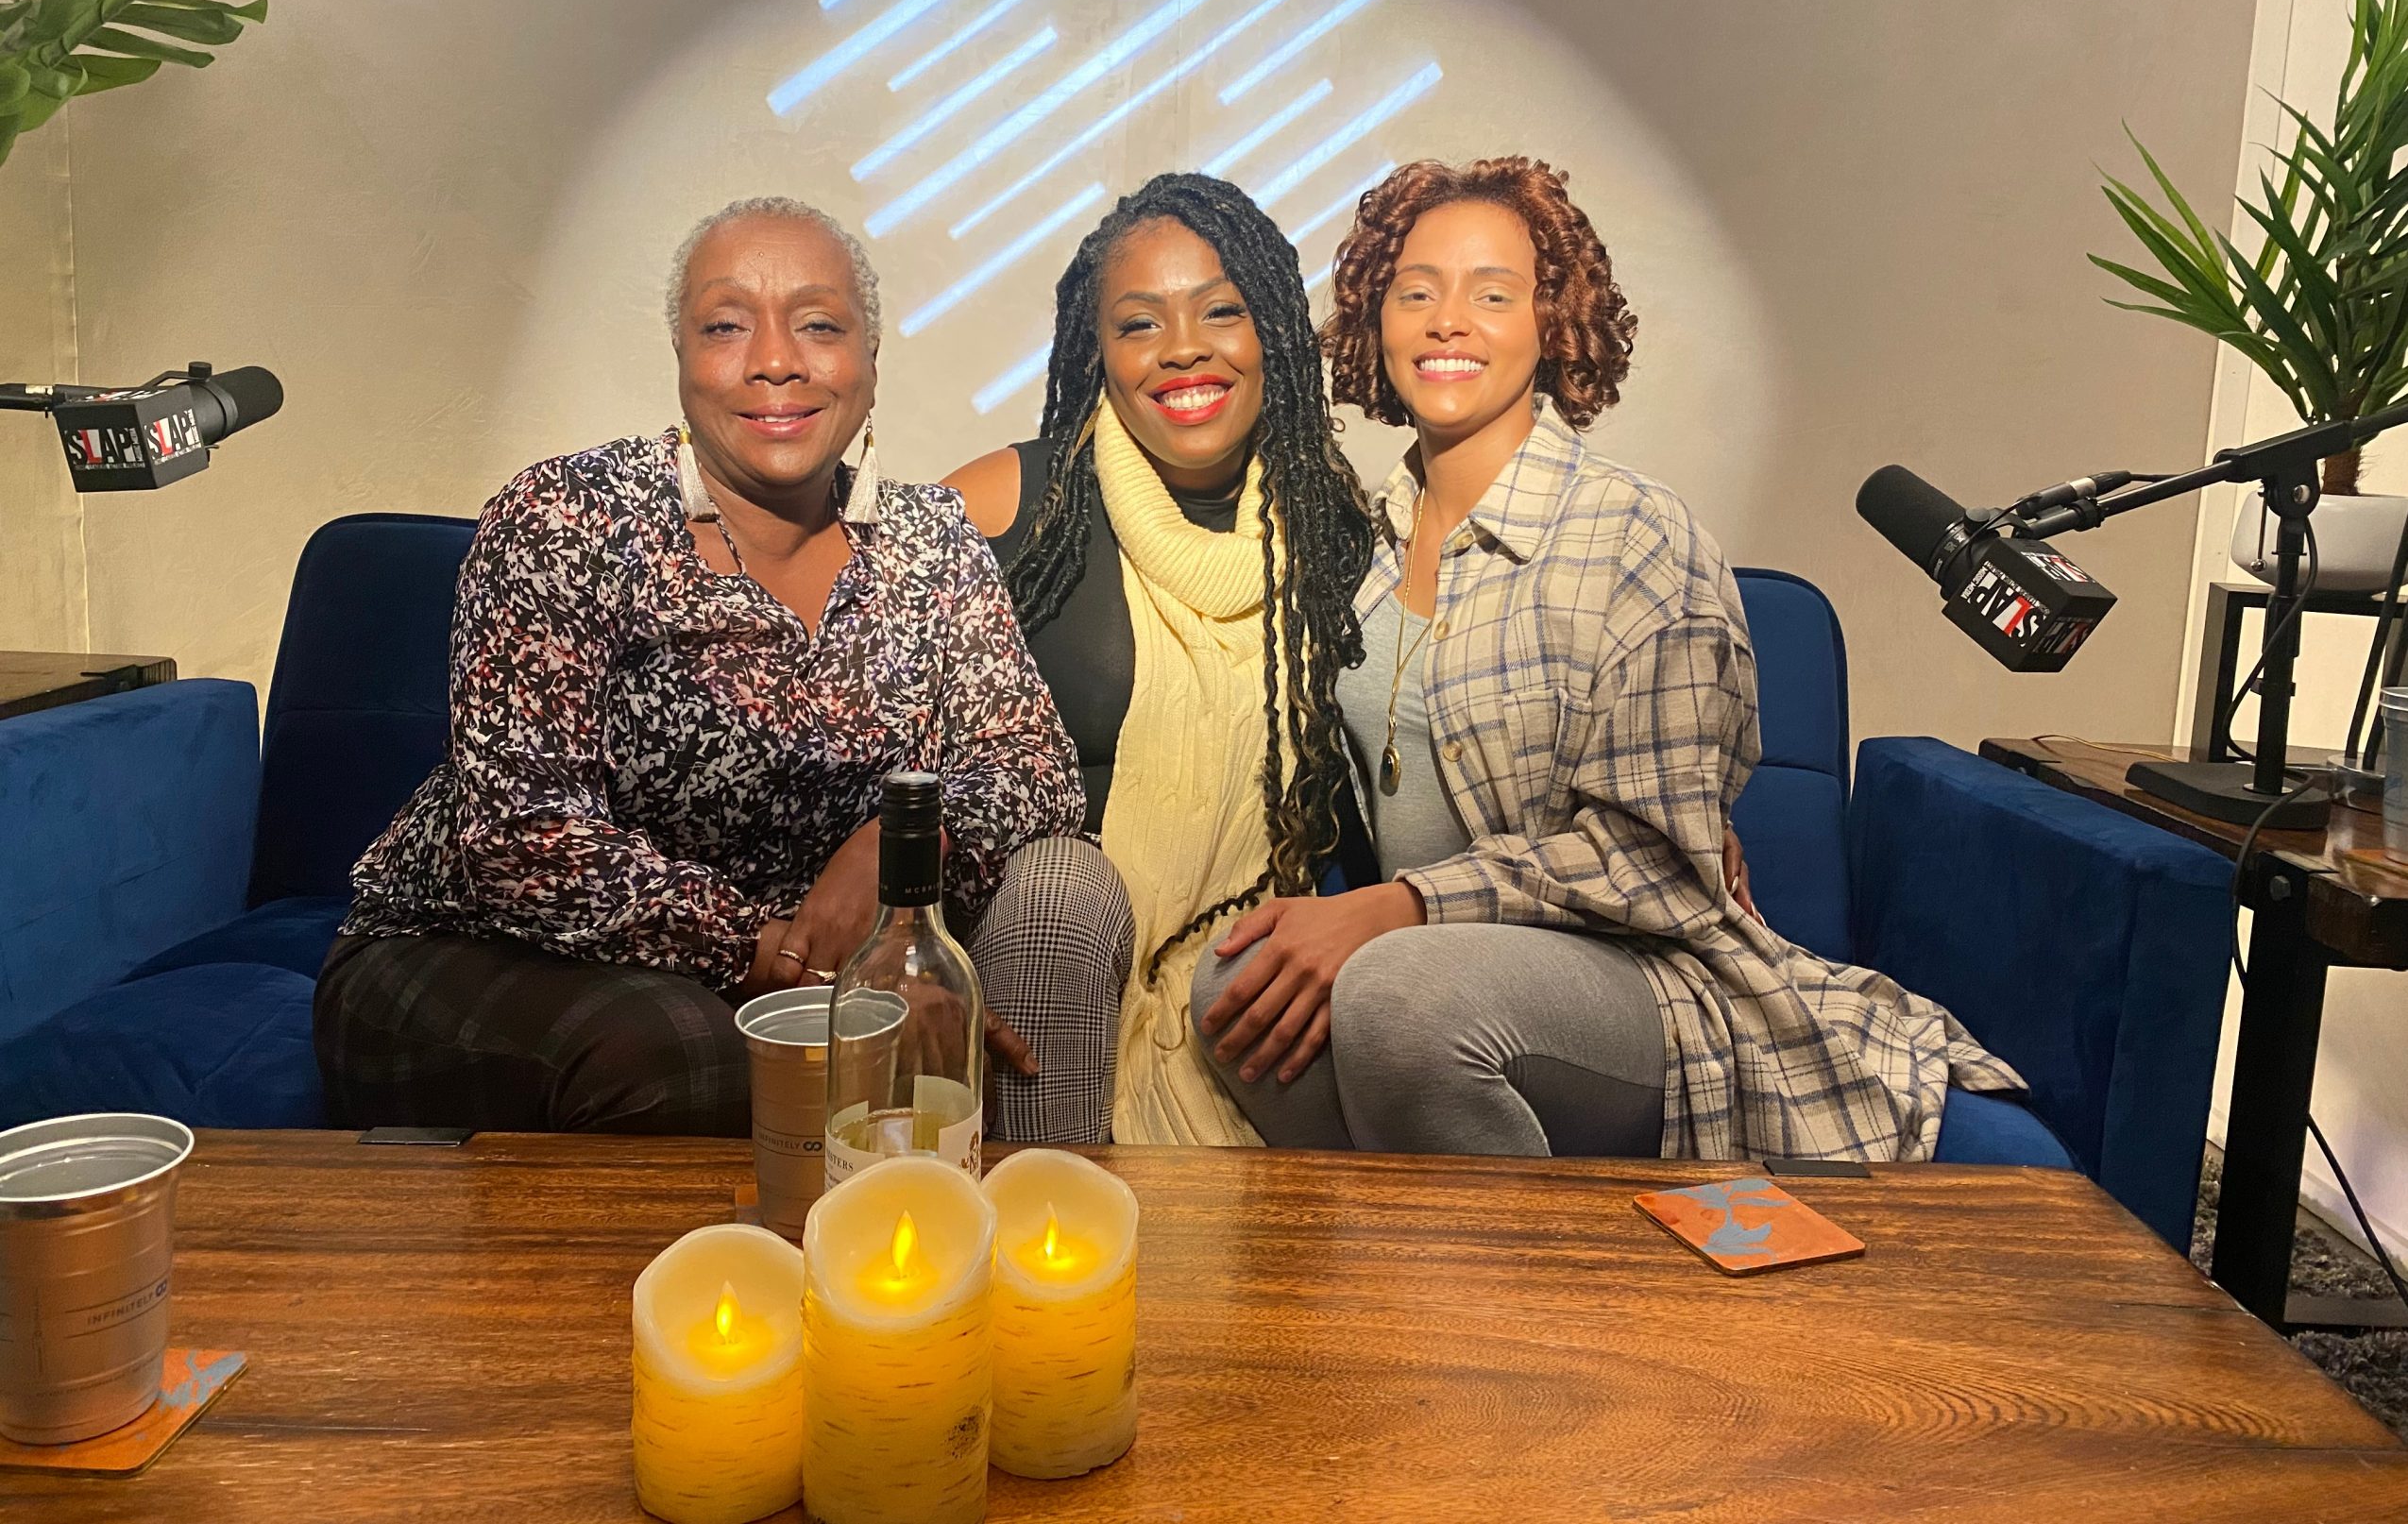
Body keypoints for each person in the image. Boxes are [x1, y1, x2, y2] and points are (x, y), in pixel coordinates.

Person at [1190, 157, 2024, 1160]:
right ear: (1377, 318)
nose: (1448, 321)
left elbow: (1655, 862)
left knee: (1405, 996)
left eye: (1493, 294)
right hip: (1432, 964)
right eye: (1415, 292)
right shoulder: (1358, 549)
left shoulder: (1636, 536)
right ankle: (1390, 1240)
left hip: (1631, 976)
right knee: (1230, 985)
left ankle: (1516, 1264)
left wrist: (1400, 906)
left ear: (1553, 322)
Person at [314, 195, 1128, 1139]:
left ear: (869, 360)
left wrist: (904, 845)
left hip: (793, 991)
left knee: (775, 1043)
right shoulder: (566, 517)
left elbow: (1032, 764)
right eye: (727, 325)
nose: (776, 359)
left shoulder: (932, 541)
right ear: (682, 356)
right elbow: (521, 836)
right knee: (695, 1050)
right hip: (486, 951)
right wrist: (789, 963)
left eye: (819, 325)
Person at [946, 172, 1376, 1146]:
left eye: (1221, 311)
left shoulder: (1342, 534)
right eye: (1139, 323)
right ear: (1097, 352)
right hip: (1033, 972)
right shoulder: (1011, 505)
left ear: (1273, 330)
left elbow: (1418, 752)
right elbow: (850, 712)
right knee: (1058, 893)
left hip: (1246, 989)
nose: (1183, 346)